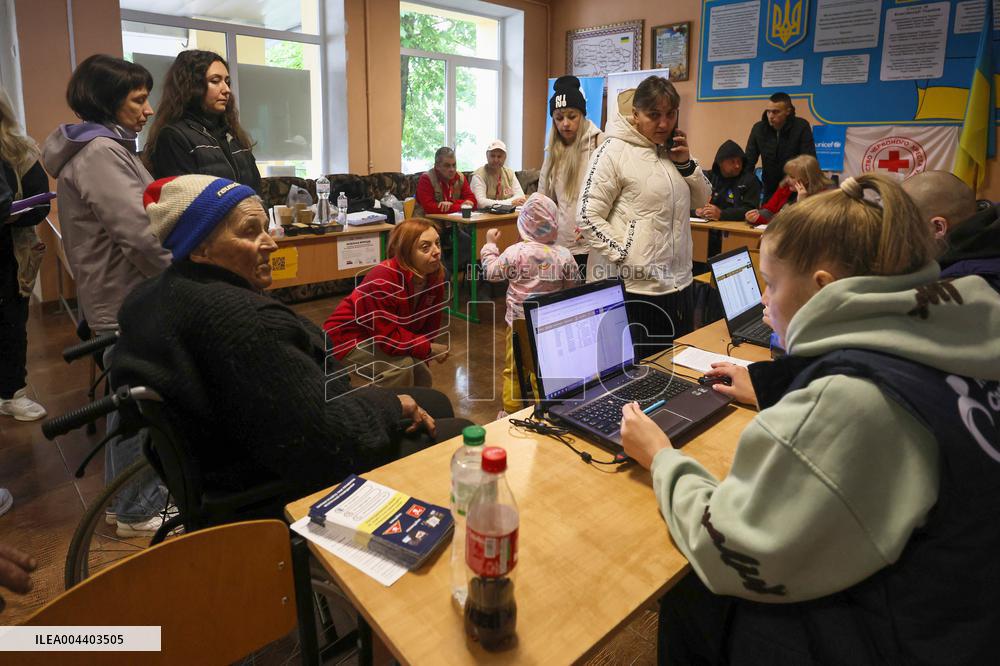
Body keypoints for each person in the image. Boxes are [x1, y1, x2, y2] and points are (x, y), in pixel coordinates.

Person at [619, 173, 1000, 665]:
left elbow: (730, 545)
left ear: (823, 289)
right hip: (964, 614)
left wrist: (662, 458)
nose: (763, 300)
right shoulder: (963, 329)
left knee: (692, 590)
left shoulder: (853, 402)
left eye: (771, 284)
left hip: (902, 636)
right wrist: (778, 386)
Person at [112, 175, 471, 502]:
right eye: (250, 231)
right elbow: (323, 438)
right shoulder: (242, 321)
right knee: (459, 430)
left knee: (433, 400)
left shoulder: (159, 293)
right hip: (270, 470)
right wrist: (394, 407)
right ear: (200, 247)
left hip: (237, 437)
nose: (270, 243)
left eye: (265, 228)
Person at [41, 54, 172, 536]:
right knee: (138, 402)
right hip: (126, 299)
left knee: (130, 399)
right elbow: (139, 234)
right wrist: (180, 278)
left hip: (122, 295)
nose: (149, 109)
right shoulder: (100, 154)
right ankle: (138, 509)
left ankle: (126, 502)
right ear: (108, 102)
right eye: (139, 100)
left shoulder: (108, 148)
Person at [579, 76, 710, 353]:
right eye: (654, 115)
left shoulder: (672, 152)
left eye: (670, 114)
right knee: (640, 378)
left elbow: (703, 200)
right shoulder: (612, 151)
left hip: (678, 284)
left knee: (674, 368)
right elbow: (587, 216)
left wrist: (686, 164)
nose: (664, 123)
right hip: (634, 288)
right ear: (636, 114)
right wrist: (629, 254)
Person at [480, 193, 580, 415]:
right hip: (549, 323)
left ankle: (510, 409)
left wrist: (489, 246)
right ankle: (542, 410)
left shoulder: (515, 252)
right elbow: (573, 286)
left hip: (518, 323)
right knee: (542, 369)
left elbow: (492, 273)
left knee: (513, 368)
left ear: (524, 222)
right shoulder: (564, 255)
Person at [324, 218, 449, 388]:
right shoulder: (382, 279)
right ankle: (383, 410)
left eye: (437, 243)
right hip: (346, 337)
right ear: (406, 253)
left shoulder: (435, 280)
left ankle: (419, 410)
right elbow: (387, 338)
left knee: (420, 369)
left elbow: (428, 331)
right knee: (400, 368)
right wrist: (427, 348)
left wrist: (425, 351)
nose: (436, 252)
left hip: (380, 335)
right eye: (425, 247)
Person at [143, 50, 261, 194]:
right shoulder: (174, 136)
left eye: (227, 82)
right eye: (215, 81)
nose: (226, 89)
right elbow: (187, 202)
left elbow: (256, 191)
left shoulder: (232, 134)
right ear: (192, 86)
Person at [0, 88, 49, 421]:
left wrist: (13, 214)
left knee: (11, 324)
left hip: (10, 253)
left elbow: (41, 201)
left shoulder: (19, 150)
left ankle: (11, 393)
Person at [539, 75, 605, 275]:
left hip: (593, 242)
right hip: (561, 242)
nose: (565, 124)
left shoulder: (600, 143)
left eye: (572, 116)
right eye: (559, 118)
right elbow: (543, 197)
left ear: (582, 115)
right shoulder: (553, 151)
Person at [744, 92, 816, 201]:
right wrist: (745, 187)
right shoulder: (758, 129)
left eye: (776, 112)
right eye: (768, 111)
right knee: (766, 215)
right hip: (769, 188)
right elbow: (749, 160)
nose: (771, 116)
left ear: (788, 111)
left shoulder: (801, 127)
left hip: (794, 188)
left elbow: (808, 160)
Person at [745, 154, 831, 225]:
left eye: (792, 177)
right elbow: (770, 211)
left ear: (807, 179)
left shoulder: (822, 196)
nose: (787, 180)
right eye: (788, 175)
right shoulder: (786, 187)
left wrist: (802, 202)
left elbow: (806, 225)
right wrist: (755, 216)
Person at [694, 140, 761, 222]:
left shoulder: (750, 180)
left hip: (737, 229)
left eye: (739, 161)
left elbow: (750, 210)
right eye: (732, 162)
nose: (737, 166)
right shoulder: (708, 178)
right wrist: (696, 212)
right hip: (709, 226)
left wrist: (721, 214)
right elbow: (688, 202)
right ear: (720, 163)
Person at [415, 146, 476, 215]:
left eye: (454, 165)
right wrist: (463, 206)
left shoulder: (460, 177)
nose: (452, 169)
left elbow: (473, 201)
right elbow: (430, 208)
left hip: (454, 222)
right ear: (437, 166)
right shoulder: (426, 179)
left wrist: (452, 203)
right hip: (427, 223)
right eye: (447, 166)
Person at [470, 140, 526, 209]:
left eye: (499, 156)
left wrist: (505, 204)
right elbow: (481, 203)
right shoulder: (478, 175)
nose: (496, 160)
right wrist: (510, 203)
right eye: (492, 156)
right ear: (487, 156)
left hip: (506, 215)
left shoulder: (510, 173)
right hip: (485, 217)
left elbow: (521, 197)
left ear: (505, 158)